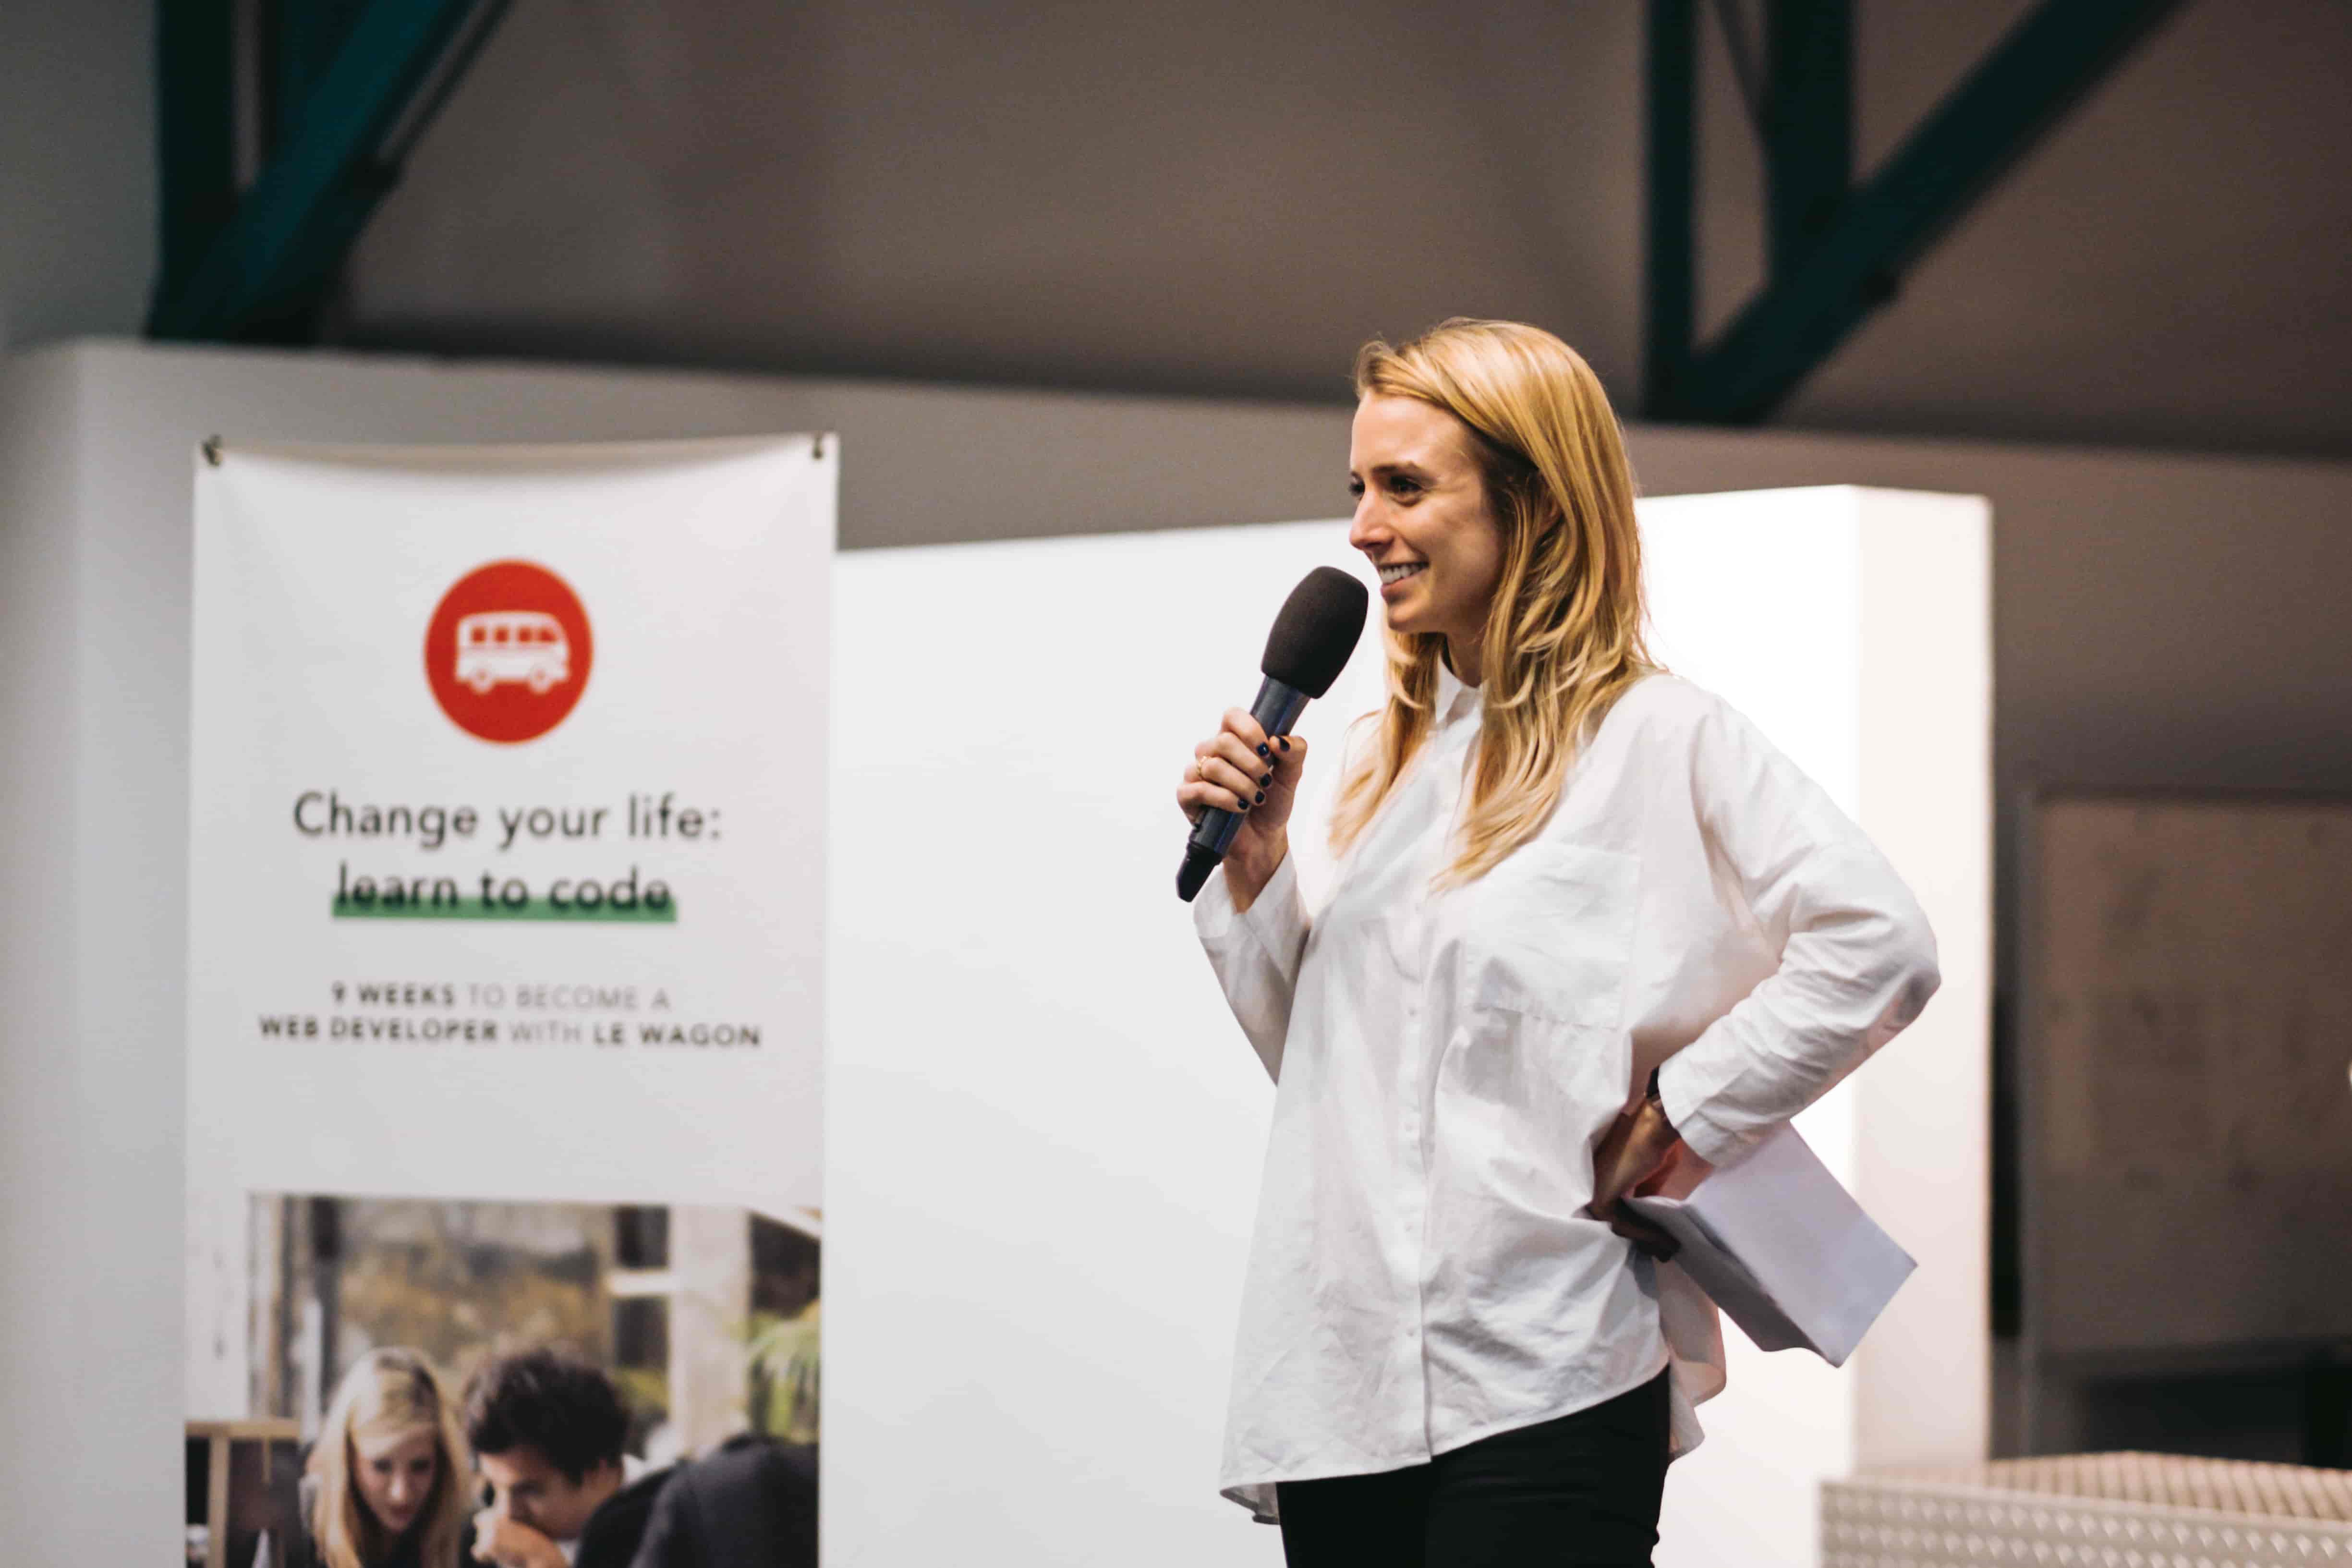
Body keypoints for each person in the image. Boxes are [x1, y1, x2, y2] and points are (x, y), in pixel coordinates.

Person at [1176, 318, 1941, 1567]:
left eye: (1405, 487)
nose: (1364, 530)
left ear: (1531, 500)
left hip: (1544, 1375)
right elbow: (1332, 1079)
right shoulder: (1373, 760)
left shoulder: (1661, 738)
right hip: (1337, 1377)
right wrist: (1258, 878)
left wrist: (1690, 1107)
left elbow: (1880, 942)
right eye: (1358, 489)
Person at [462, 1349, 667, 1568]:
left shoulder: (679, 1531)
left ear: (598, 1472)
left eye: (529, 1491)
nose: (505, 1514)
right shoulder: (476, 1537)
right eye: (494, 1487)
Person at [290, 1348, 473, 1568]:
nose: (401, 1494)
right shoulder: (298, 1519)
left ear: (443, 1461)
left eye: (421, 1467)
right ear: (347, 1457)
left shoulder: (468, 1529)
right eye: (381, 1466)